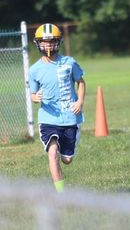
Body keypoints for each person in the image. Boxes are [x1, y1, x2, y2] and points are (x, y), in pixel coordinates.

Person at [29, 23, 85, 192]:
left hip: (69, 118)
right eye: (44, 42)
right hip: (48, 119)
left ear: (58, 42)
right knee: (53, 152)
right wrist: (35, 97)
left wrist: (80, 101)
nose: (48, 45)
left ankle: (64, 153)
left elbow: (80, 82)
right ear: (38, 43)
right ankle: (61, 194)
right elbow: (32, 94)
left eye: (52, 41)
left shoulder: (69, 62)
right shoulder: (34, 70)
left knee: (67, 159)